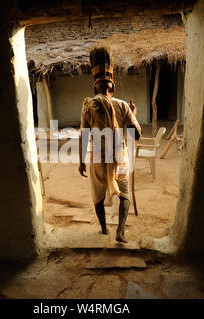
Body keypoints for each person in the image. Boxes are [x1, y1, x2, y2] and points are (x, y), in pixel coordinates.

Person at [78, 47, 141, 243]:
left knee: (97, 195)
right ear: (112, 87)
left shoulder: (88, 105)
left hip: (97, 157)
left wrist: (81, 162)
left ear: (94, 86)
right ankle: (120, 231)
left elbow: (83, 135)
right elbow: (136, 134)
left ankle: (104, 229)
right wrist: (133, 115)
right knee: (124, 194)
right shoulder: (122, 105)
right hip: (119, 156)